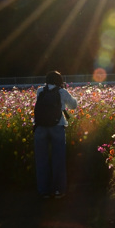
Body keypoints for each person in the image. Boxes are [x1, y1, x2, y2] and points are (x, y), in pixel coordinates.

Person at [33, 71, 77, 199]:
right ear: (60, 80)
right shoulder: (62, 92)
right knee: (58, 159)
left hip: (40, 127)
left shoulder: (40, 91)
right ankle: (58, 190)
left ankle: (44, 191)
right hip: (57, 126)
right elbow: (73, 105)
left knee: (41, 159)